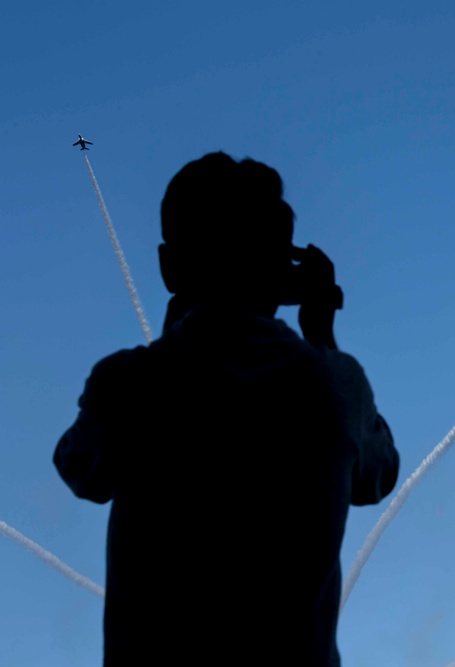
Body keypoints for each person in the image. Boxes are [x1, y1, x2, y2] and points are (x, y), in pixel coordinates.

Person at [54, 152, 399, 666]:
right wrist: (321, 330)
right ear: (284, 269)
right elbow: (378, 475)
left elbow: (79, 467)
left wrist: (178, 329)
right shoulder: (338, 386)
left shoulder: (125, 384)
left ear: (170, 266)